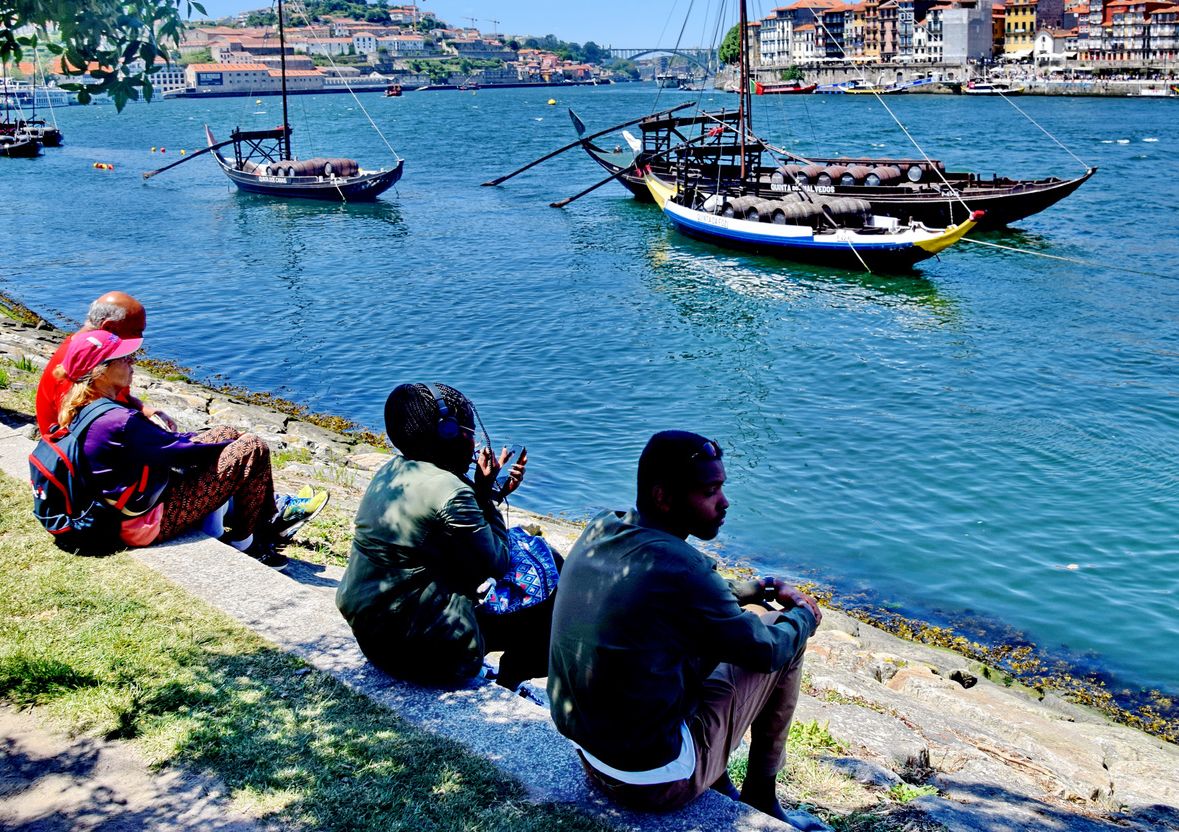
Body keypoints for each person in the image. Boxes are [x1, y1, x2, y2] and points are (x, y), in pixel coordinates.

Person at [547, 431, 827, 831]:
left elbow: (685, 597)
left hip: (592, 756)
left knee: (739, 616)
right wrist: (803, 615)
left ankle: (720, 778)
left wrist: (757, 589)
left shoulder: (603, 529)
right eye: (710, 491)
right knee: (780, 634)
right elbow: (768, 652)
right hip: (652, 782)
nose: (724, 501)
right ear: (664, 498)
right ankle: (762, 799)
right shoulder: (681, 569)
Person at [335, 382, 553, 694]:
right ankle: (509, 684)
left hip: (373, 636)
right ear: (448, 432)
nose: (475, 440)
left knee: (529, 560)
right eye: (470, 430)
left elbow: (440, 526)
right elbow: (497, 563)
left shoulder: (392, 469)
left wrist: (488, 488)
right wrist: (488, 497)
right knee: (551, 575)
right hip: (422, 652)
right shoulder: (452, 493)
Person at [52, 328, 328, 566]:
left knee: (224, 431)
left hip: (129, 507)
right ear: (100, 372)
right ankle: (246, 542)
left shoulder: (89, 407)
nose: (133, 360)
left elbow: (165, 448)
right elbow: (178, 454)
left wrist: (224, 439)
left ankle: (264, 522)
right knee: (252, 447)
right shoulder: (118, 421)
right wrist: (233, 445)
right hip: (143, 524)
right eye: (124, 358)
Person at [36, 292, 172, 440]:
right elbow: (87, 434)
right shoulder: (78, 367)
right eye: (136, 332)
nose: (140, 340)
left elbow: (123, 396)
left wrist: (150, 412)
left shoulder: (102, 356)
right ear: (108, 327)